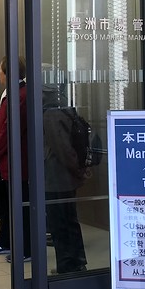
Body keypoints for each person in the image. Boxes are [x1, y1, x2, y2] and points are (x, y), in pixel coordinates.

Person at [0, 56, 30, 261]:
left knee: (20, 205)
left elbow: (6, 130)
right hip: (8, 160)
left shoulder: (19, 96)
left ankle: (25, 248)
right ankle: (6, 241)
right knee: (8, 203)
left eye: (0, 70)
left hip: (17, 161)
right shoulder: (12, 94)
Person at [42, 83, 87, 274]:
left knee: (60, 224)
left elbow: (62, 149)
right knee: (69, 221)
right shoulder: (64, 105)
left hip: (56, 176)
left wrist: (77, 169)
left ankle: (68, 267)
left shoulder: (51, 112)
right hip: (64, 176)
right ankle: (76, 263)